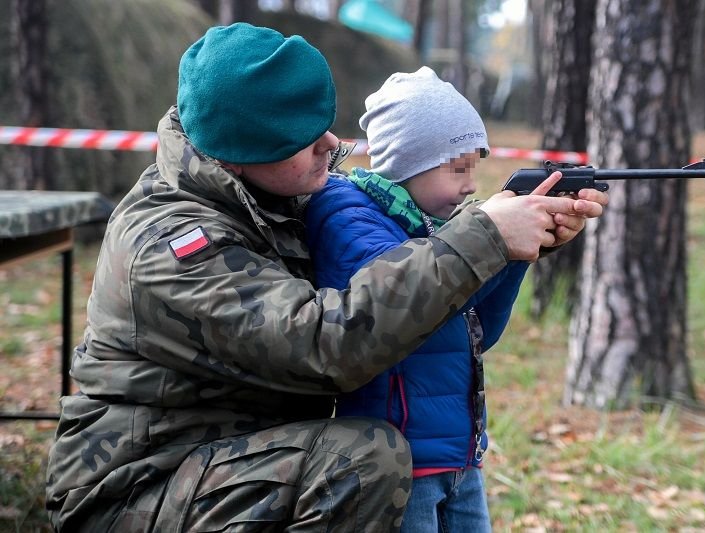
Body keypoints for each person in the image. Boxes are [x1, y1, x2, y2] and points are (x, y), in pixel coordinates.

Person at [44, 22, 608, 532]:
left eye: (325, 125)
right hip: (138, 486)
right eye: (303, 139)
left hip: (231, 459)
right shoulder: (172, 244)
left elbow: (400, 268)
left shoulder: (271, 193)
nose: (332, 144)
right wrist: (481, 237)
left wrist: (509, 243)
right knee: (361, 460)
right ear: (240, 152)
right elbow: (324, 345)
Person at [305, 66, 534, 532]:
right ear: (411, 161)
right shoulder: (348, 215)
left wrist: (514, 255)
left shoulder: (437, 229)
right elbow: (402, 303)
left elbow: (474, 329)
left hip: (459, 455)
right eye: (459, 167)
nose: (471, 184)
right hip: (401, 465)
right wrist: (486, 240)